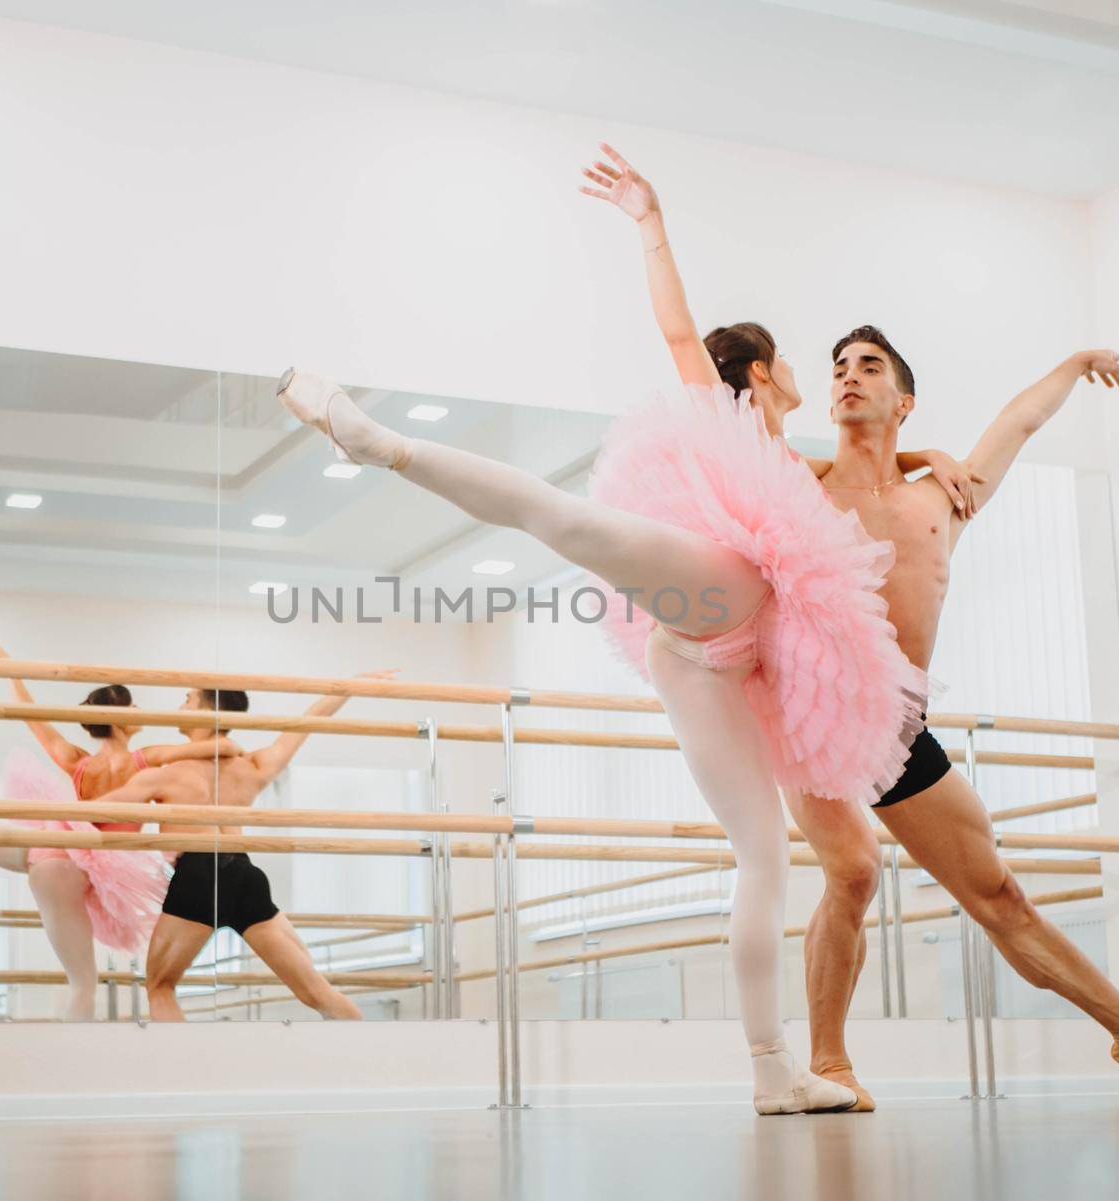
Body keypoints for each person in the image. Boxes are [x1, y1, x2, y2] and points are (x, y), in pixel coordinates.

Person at [271, 184, 981, 1107]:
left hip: (697, 661)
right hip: (724, 597)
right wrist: (651, 225)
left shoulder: (802, 459)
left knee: (764, 858)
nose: (827, 376)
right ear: (763, 373)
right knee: (561, 518)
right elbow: (681, 331)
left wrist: (928, 458)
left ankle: (775, 1073)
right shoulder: (739, 423)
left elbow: (857, 465)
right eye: (802, 364)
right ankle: (378, 443)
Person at [580, 144, 1119, 1106]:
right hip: (813, 712)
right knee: (850, 870)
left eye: (867, 366)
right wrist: (650, 226)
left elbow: (1017, 423)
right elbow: (687, 358)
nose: (845, 375)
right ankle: (828, 1063)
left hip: (901, 719)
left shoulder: (944, 495)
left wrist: (1074, 362)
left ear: (903, 396)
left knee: (998, 895)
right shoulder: (800, 483)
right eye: (836, 364)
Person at [0, 633, 255, 1020]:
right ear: (121, 719)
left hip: (48, 849)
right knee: (83, 983)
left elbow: (34, 720)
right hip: (72, 866)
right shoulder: (145, 760)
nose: (140, 710)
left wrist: (9, 668)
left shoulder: (77, 760)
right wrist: (225, 744)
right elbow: (219, 748)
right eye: (133, 706)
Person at [86, 673, 398, 1024]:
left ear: (208, 710)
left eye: (188, 699)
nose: (180, 706)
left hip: (198, 875)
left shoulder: (166, 774)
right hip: (244, 875)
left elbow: (97, 812)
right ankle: (368, 1061)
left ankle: (180, 1071)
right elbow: (309, 721)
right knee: (317, 992)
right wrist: (351, 685)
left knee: (160, 985)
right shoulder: (254, 766)